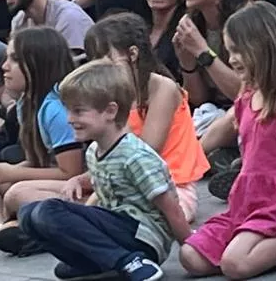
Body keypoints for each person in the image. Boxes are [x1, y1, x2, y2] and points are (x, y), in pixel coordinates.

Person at [178, 2, 276, 280]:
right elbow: (222, 132)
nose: (233, 58)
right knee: (190, 257)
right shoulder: (246, 97)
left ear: (263, 47)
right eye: (229, 50)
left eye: (238, 50)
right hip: (247, 202)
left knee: (235, 265)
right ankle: (264, 247)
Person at [15, 61, 193, 281]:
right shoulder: (93, 151)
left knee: (48, 211)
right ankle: (103, 263)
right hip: (117, 229)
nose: (70, 119)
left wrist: (191, 246)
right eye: (68, 110)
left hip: (143, 236)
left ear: (110, 111)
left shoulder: (135, 155)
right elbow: (103, 194)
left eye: (78, 111)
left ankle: (129, 262)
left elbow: (171, 207)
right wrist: (79, 189)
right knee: (27, 214)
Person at [0, 26, 82, 242]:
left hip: (76, 188)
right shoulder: (26, 103)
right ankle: (1, 228)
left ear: (38, 63)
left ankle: (18, 222)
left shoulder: (56, 109)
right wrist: (3, 172)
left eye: (14, 60)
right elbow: (36, 161)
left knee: (18, 194)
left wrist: (12, 174)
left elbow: (71, 172)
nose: (4, 67)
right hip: (47, 180)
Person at [84, 12, 208, 208]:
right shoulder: (110, 96)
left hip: (171, 189)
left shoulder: (163, 88)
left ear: (133, 54)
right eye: (93, 61)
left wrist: (92, 185)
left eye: (105, 59)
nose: (99, 68)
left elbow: (146, 152)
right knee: (22, 194)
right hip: (122, 184)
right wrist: (82, 180)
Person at [172, 0, 245, 108]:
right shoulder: (194, 23)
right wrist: (187, 63)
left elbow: (246, 94)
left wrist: (202, 51)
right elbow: (199, 99)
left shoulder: (244, 21)